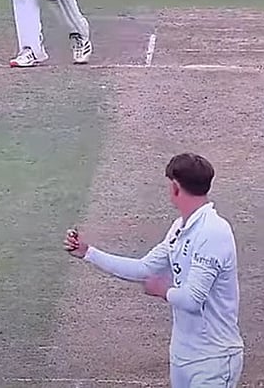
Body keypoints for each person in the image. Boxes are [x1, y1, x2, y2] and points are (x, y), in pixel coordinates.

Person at [64, 152, 244, 388]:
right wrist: (88, 252)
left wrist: (163, 290)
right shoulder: (180, 228)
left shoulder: (213, 232)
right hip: (183, 356)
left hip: (214, 360)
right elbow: (144, 268)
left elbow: (192, 300)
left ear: (175, 187)